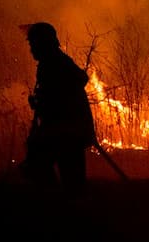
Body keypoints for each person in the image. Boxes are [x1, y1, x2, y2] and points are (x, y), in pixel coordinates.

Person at [19, 22, 96, 192]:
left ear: (43, 43)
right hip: (65, 131)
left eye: (33, 44)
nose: (31, 49)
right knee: (45, 168)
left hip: (67, 132)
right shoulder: (53, 62)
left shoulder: (55, 64)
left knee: (67, 180)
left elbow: (63, 97)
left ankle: (61, 208)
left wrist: (45, 102)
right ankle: (61, 207)